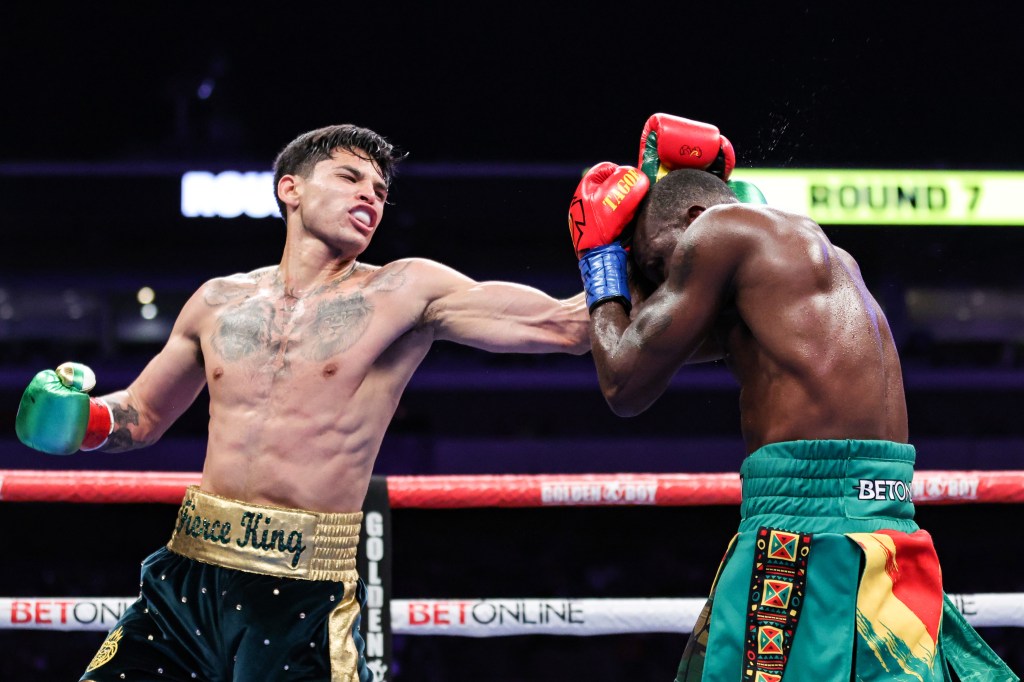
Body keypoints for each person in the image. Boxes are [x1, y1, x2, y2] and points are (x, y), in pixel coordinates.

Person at [15, 123, 590, 682]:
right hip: (188, 574)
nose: (371, 194)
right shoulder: (217, 300)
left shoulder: (405, 290)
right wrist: (81, 418)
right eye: (349, 177)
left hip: (302, 585)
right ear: (291, 188)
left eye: (381, 191)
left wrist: (614, 252)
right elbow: (139, 416)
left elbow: (563, 326)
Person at [566, 115, 1017, 681]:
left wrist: (600, 260)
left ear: (695, 220)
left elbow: (623, 384)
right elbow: (643, 344)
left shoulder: (718, 232)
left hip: (806, 529)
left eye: (660, 262)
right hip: (886, 531)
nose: (665, 283)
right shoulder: (819, 266)